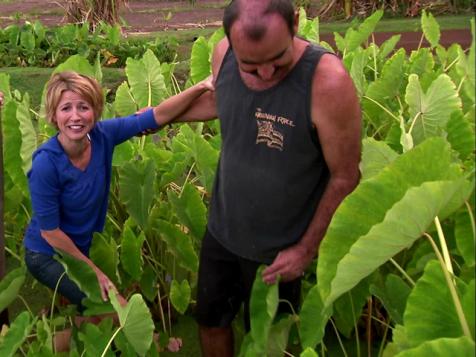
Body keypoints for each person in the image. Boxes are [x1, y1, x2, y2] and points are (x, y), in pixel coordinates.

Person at [169, 0, 362, 355]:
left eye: (278, 60)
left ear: (295, 22)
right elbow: (223, 102)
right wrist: (151, 119)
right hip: (223, 229)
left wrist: (306, 249)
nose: (267, 75)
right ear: (229, 39)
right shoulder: (223, 55)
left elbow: (346, 176)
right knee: (211, 321)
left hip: (281, 247)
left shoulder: (327, 82)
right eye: (251, 66)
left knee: (271, 340)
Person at [10, 71, 212, 351]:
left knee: (99, 312)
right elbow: (50, 232)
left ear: (95, 111)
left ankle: (43, 342)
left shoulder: (102, 136)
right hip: (47, 254)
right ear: (54, 116)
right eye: (66, 108)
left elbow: (156, 116)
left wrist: (202, 86)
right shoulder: (46, 163)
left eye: (84, 106)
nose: (76, 116)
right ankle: (37, 346)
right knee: (112, 309)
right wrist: (95, 271)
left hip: (78, 250)